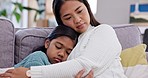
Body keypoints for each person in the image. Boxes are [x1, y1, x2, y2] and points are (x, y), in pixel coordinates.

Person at [0, 0, 127, 78]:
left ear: (87, 8)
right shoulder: (73, 45)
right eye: (68, 17)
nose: (77, 20)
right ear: (62, 23)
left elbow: (84, 66)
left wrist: (29, 73)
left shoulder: (104, 31)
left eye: (79, 11)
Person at [14, 25, 78, 68]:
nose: (62, 54)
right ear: (47, 43)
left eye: (68, 52)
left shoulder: (62, 67)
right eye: (58, 47)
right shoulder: (38, 57)